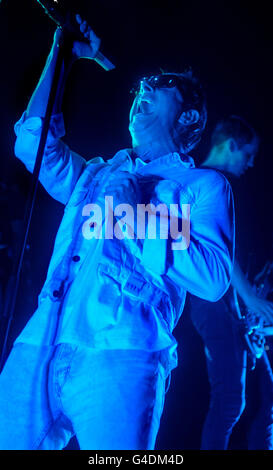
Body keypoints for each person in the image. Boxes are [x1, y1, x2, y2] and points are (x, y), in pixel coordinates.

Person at [0, 16, 234, 450]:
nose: (143, 87)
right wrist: (62, 53)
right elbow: (32, 144)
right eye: (140, 85)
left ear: (189, 115)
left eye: (160, 83)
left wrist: (138, 213)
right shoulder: (96, 173)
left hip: (126, 348)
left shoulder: (201, 186)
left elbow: (214, 277)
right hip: (43, 338)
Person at [188, 115, 273, 450]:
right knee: (229, 404)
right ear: (231, 145)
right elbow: (218, 250)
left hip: (231, 306)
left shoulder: (224, 185)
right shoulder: (206, 181)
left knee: (265, 399)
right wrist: (250, 297)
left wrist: (247, 305)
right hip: (213, 304)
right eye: (248, 154)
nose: (251, 163)